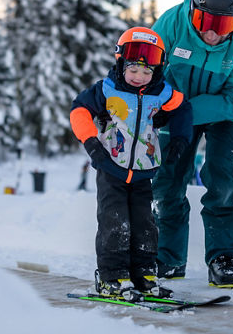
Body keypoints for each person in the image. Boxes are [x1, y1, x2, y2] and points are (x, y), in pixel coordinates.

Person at [150, 0, 233, 289]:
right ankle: (168, 258)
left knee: (221, 176)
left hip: (226, 111)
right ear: (192, 11)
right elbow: (147, 70)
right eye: (204, 21)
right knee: (168, 179)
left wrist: (183, 108)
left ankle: (224, 258)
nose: (211, 34)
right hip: (176, 107)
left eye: (223, 25)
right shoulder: (173, 23)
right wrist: (155, 106)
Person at [70, 26, 193, 300]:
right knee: (115, 222)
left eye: (147, 72)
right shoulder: (106, 89)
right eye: (134, 69)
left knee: (144, 224)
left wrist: (180, 140)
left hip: (143, 171)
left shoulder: (161, 92)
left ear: (157, 70)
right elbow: (79, 109)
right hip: (111, 168)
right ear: (120, 63)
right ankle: (112, 277)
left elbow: (183, 108)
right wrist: (91, 143)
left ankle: (145, 274)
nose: (140, 77)